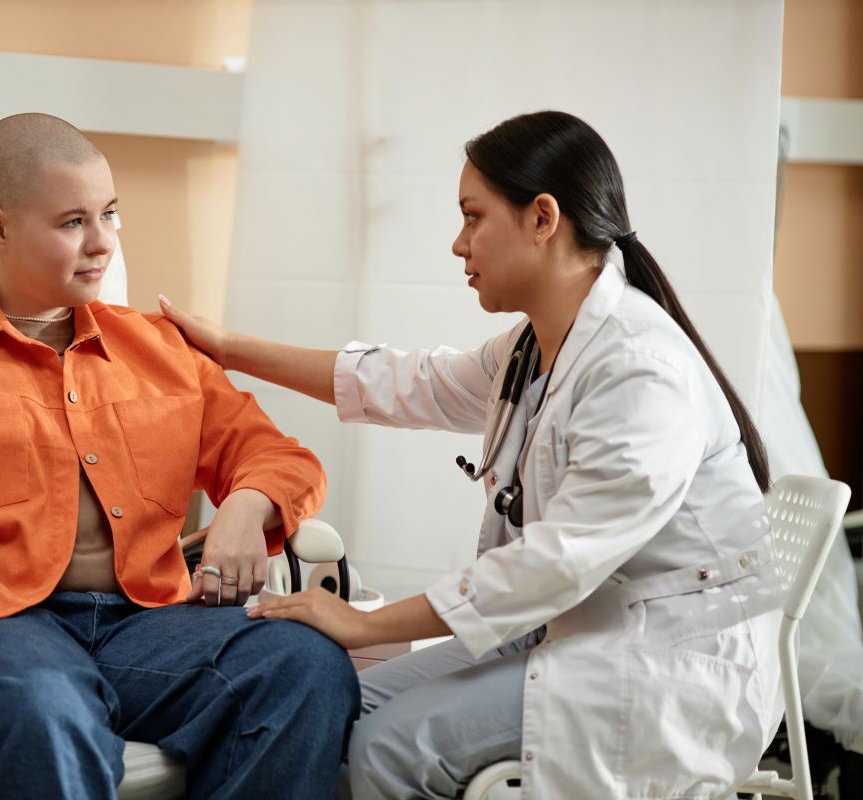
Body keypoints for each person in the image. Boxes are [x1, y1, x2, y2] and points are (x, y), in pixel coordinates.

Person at [160, 110, 785, 799]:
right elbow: (407, 382)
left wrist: (366, 620)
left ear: (542, 218)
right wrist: (227, 348)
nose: (459, 244)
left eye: (473, 216)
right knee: (338, 704)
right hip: (571, 630)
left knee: (387, 749)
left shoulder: (638, 372)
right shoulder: (536, 348)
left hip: (659, 663)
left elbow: (555, 563)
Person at [0, 112, 359, 799]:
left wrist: (246, 509)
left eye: (109, 215)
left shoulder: (159, 350)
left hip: (147, 626)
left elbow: (275, 455)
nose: (101, 243)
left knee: (304, 664)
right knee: (47, 708)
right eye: (72, 222)